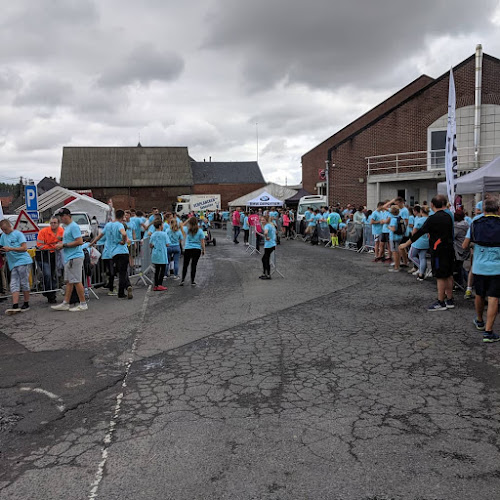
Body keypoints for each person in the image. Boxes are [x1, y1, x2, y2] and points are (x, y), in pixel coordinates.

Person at [400, 195, 455, 311]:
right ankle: (450, 299)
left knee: (440, 276)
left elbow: (419, 232)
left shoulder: (432, 218)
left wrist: (406, 244)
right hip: (449, 248)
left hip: (438, 250)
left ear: (432, 205)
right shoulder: (449, 216)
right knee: (449, 274)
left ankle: (441, 302)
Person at [466, 198, 500, 342]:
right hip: (497, 267)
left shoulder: (475, 224)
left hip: (479, 267)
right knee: (494, 297)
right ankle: (488, 332)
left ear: (484, 210)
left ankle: (479, 320)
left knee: (479, 294)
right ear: (498, 210)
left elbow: (464, 245)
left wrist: (476, 246)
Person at [51, 208, 88, 312]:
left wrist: (63, 244)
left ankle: (83, 303)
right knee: (69, 281)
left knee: (76, 280)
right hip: (70, 257)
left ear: (67, 215)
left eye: (62, 216)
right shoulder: (68, 227)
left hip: (74, 256)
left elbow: (79, 241)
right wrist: (62, 240)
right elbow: (73, 239)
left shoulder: (73, 226)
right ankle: (66, 303)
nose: (61, 218)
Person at [0, 219, 33, 315]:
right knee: (14, 283)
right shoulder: (3, 236)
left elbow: (24, 248)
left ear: (10, 226)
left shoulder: (18, 234)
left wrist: (10, 248)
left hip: (23, 260)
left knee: (24, 282)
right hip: (13, 263)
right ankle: (15, 305)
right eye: (3, 230)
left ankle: (26, 303)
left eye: (6, 229)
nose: (5, 231)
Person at [36, 216, 64, 303]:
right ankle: (48, 292)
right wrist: (53, 246)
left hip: (54, 256)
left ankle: (51, 294)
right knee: (47, 274)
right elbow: (40, 245)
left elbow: (62, 243)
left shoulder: (61, 231)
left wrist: (52, 245)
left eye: (55, 223)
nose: (53, 225)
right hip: (43, 256)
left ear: (58, 223)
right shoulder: (43, 232)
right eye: (51, 223)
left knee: (53, 275)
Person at [108, 210, 133, 300]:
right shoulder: (120, 225)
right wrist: (124, 240)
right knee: (123, 272)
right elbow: (124, 233)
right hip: (123, 251)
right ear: (122, 216)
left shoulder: (112, 225)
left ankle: (127, 286)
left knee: (120, 272)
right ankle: (122, 291)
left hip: (114, 252)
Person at [180, 217, 205, 286]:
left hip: (188, 248)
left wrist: (188, 220)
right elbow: (202, 241)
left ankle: (183, 279)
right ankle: (192, 280)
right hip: (197, 249)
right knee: (194, 265)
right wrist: (203, 250)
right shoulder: (200, 231)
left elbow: (181, 226)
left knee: (185, 265)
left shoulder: (187, 230)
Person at [408, 206, 429, 281]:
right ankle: (421, 274)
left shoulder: (419, 220)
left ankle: (422, 269)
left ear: (421, 211)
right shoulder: (429, 219)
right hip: (426, 241)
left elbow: (414, 231)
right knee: (422, 257)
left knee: (411, 255)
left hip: (418, 241)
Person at [150, 219, 170, 291]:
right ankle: (160, 284)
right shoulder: (164, 234)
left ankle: (155, 285)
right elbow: (167, 244)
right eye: (162, 225)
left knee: (157, 270)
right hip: (162, 254)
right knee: (162, 270)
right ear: (160, 226)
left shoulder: (153, 234)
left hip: (155, 254)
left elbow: (151, 245)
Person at [259, 214, 276, 280]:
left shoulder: (267, 226)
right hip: (272, 244)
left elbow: (266, 232)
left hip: (269, 245)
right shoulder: (271, 225)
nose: (262, 221)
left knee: (265, 259)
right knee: (264, 259)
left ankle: (267, 274)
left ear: (266, 220)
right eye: (261, 220)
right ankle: (265, 273)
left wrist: (266, 237)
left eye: (263, 220)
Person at [388, 206, 403, 272]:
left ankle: (396, 267)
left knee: (395, 252)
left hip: (394, 237)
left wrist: (389, 227)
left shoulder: (393, 219)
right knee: (398, 251)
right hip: (399, 236)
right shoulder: (400, 218)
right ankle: (398, 265)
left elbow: (393, 229)